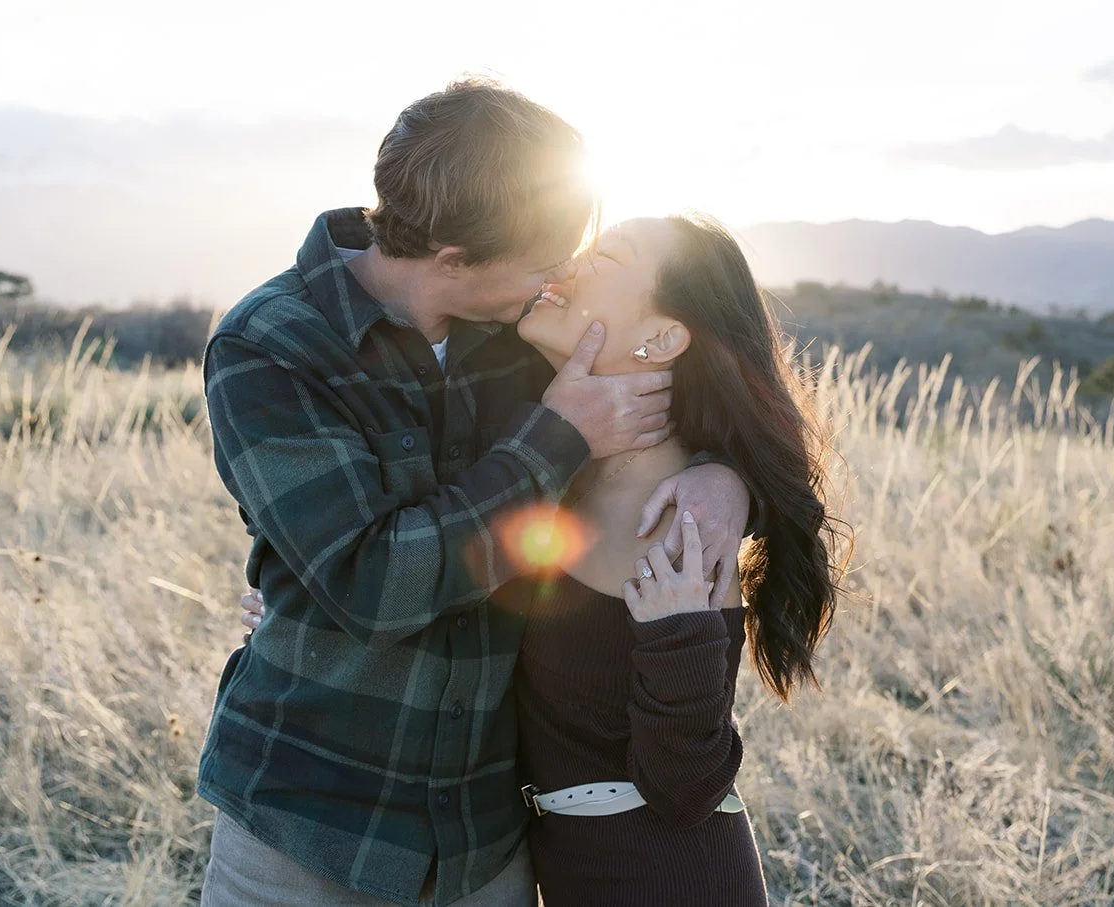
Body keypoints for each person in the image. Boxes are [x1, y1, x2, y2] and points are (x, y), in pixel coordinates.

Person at [196, 79, 754, 907]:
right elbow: (374, 586)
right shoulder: (271, 347)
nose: (562, 275)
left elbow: (684, 394)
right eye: (544, 262)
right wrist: (555, 437)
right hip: (310, 827)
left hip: (482, 839)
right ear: (453, 263)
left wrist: (726, 480)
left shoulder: (521, 332)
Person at [243, 215, 846, 906]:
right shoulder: (557, 468)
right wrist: (306, 606)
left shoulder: (681, 523)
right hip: (565, 868)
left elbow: (688, 784)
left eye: (607, 256)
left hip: (665, 880)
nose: (567, 266)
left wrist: (683, 629)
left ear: (660, 337)